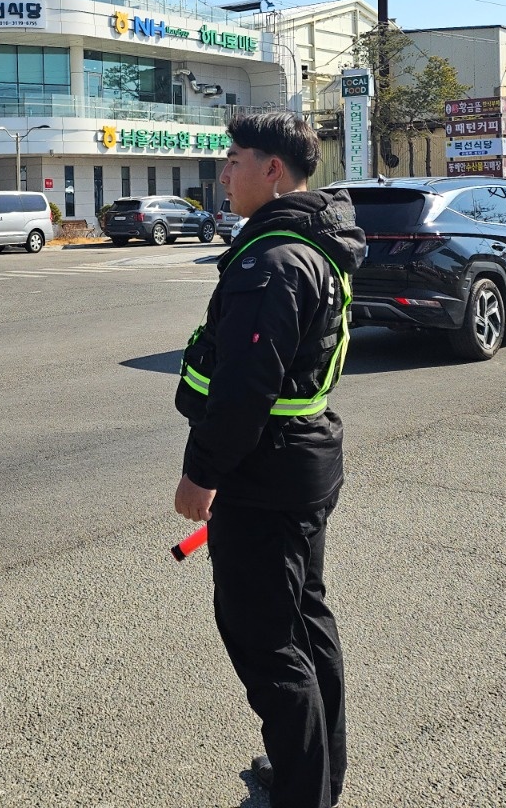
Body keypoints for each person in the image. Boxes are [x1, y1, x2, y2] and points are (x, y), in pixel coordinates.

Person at [173, 110, 365, 808]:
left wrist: (203, 474)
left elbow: (244, 387)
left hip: (265, 474)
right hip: (299, 465)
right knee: (305, 623)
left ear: (272, 170)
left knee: (269, 641)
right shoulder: (310, 246)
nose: (224, 172)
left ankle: (302, 793)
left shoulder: (273, 261)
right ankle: (313, 777)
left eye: (234, 159)